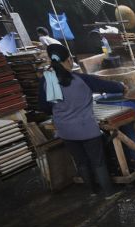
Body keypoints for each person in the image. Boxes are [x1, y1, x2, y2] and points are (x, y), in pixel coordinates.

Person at [38, 44, 126, 199]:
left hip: (65, 131)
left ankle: (92, 192)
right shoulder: (81, 79)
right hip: (87, 129)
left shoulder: (47, 81)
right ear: (69, 60)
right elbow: (106, 85)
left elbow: (45, 108)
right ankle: (108, 193)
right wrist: (121, 86)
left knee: (81, 162)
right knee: (98, 162)